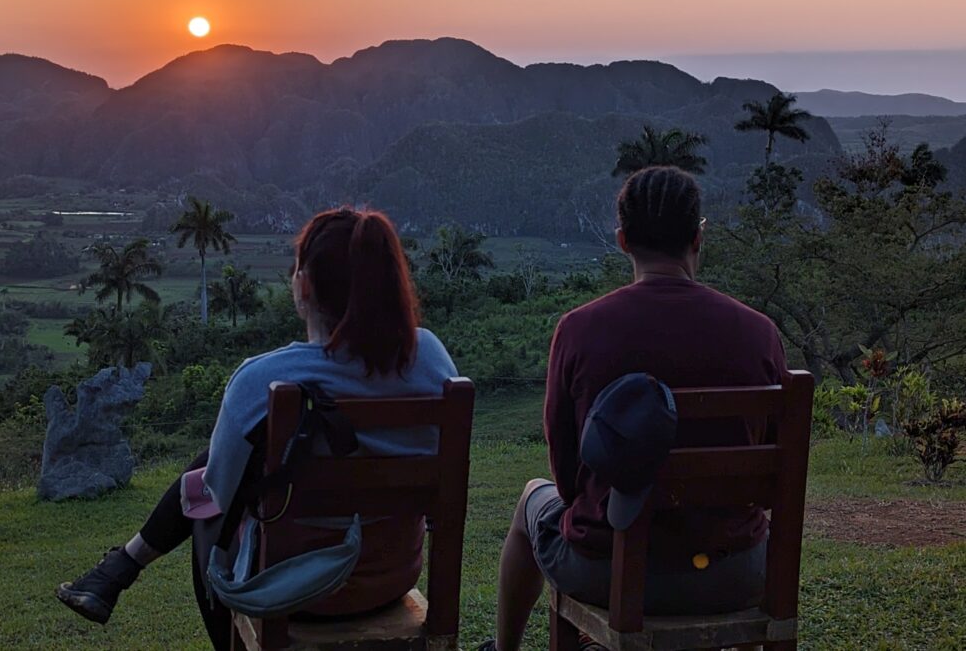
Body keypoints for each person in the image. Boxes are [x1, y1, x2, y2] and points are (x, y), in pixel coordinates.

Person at [56, 207, 458, 649]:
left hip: (295, 592)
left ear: (303, 284)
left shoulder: (261, 380)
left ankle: (126, 569)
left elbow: (213, 497)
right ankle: (119, 567)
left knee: (206, 505)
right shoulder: (431, 358)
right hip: (392, 577)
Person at [479, 166, 789, 651]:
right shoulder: (759, 333)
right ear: (697, 237)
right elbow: (769, 486)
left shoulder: (580, 329)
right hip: (735, 573)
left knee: (530, 498)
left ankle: (504, 650)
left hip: (610, 570)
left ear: (622, 240)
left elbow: (566, 480)